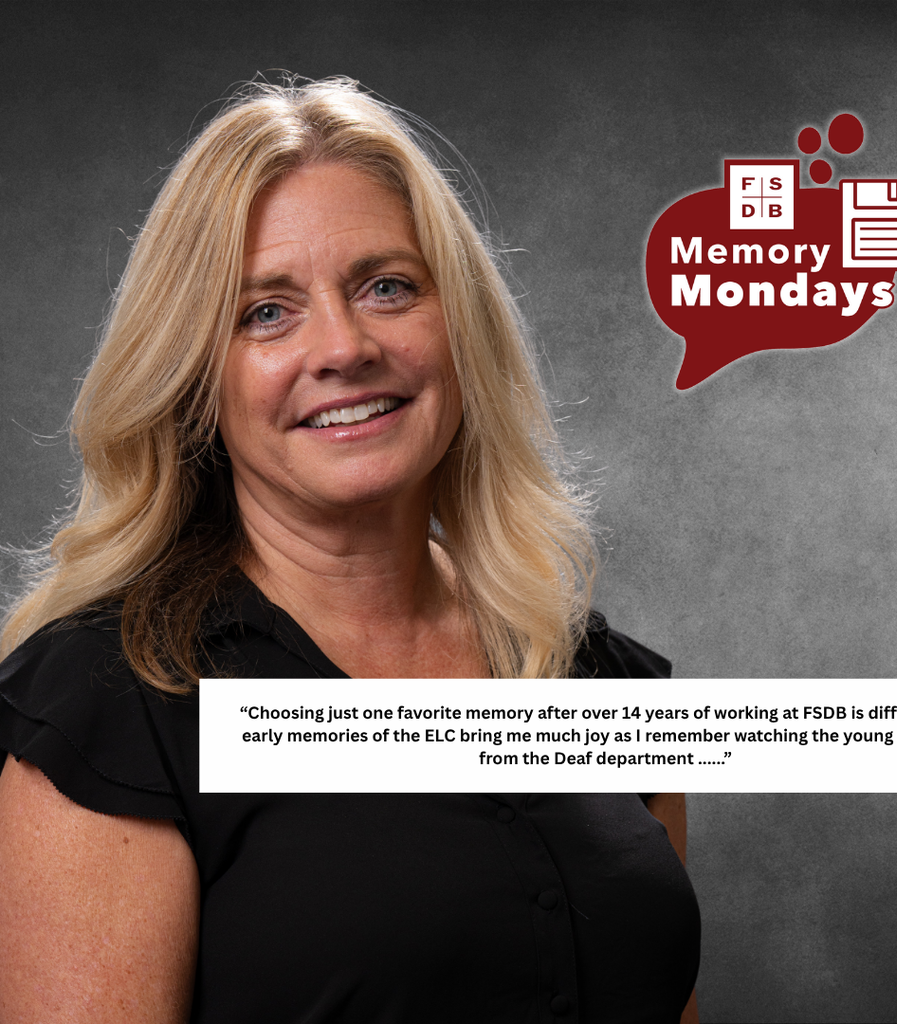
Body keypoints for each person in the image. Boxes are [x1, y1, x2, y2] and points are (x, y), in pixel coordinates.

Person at [0, 78, 699, 1022]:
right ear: (196, 377)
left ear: (459, 324)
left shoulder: (597, 677)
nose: (344, 346)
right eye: (266, 312)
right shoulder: (108, 708)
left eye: (387, 287)